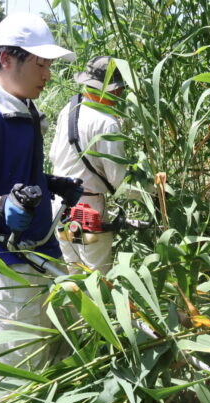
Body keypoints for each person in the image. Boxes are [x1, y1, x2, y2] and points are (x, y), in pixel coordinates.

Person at [0, 13, 83, 376]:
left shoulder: (24, 108)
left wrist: (52, 183)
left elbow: (14, 173)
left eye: (49, 66)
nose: (47, 75)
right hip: (8, 260)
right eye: (40, 64)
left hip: (44, 247)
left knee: (62, 342)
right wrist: (1, 205)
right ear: (7, 59)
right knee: (20, 363)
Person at [49, 56, 127, 275]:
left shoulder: (70, 109)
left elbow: (54, 154)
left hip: (60, 207)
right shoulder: (107, 123)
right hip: (88, 209)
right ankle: (98, 309)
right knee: (97, 275)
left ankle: (75, 310)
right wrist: (154, 194)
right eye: (119, 89)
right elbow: (118, 180)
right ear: (112, 90)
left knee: (73, 271)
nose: (120, 94)